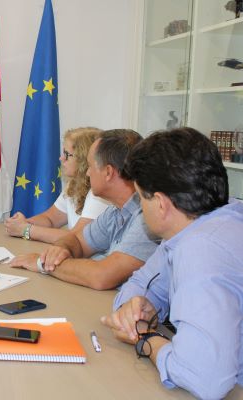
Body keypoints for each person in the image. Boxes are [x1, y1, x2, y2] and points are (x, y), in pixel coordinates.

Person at [101, 127, 243, 399]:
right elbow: (140, 283)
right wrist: (136, 307)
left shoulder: (201, 250)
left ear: (162, 204)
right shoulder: (199, 224)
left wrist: (146, 339)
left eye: (141, 197)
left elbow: (205, 380)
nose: (141, 209)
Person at [10, 129, 159, 290]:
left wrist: (43, 263)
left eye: (90, 166)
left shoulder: (147, 217)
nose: (87, 173)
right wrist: (61, 249)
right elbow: (78, 241)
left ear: (108, 172)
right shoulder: (115, 211)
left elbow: (102, 276)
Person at [4, 127, 108, 243]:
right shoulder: (74, 185)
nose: (61, 158)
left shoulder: (98, 193)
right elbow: (50, 219)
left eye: (67, 154)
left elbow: (76, 238)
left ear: (83, 158)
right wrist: (22, 223)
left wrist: (26, 230)